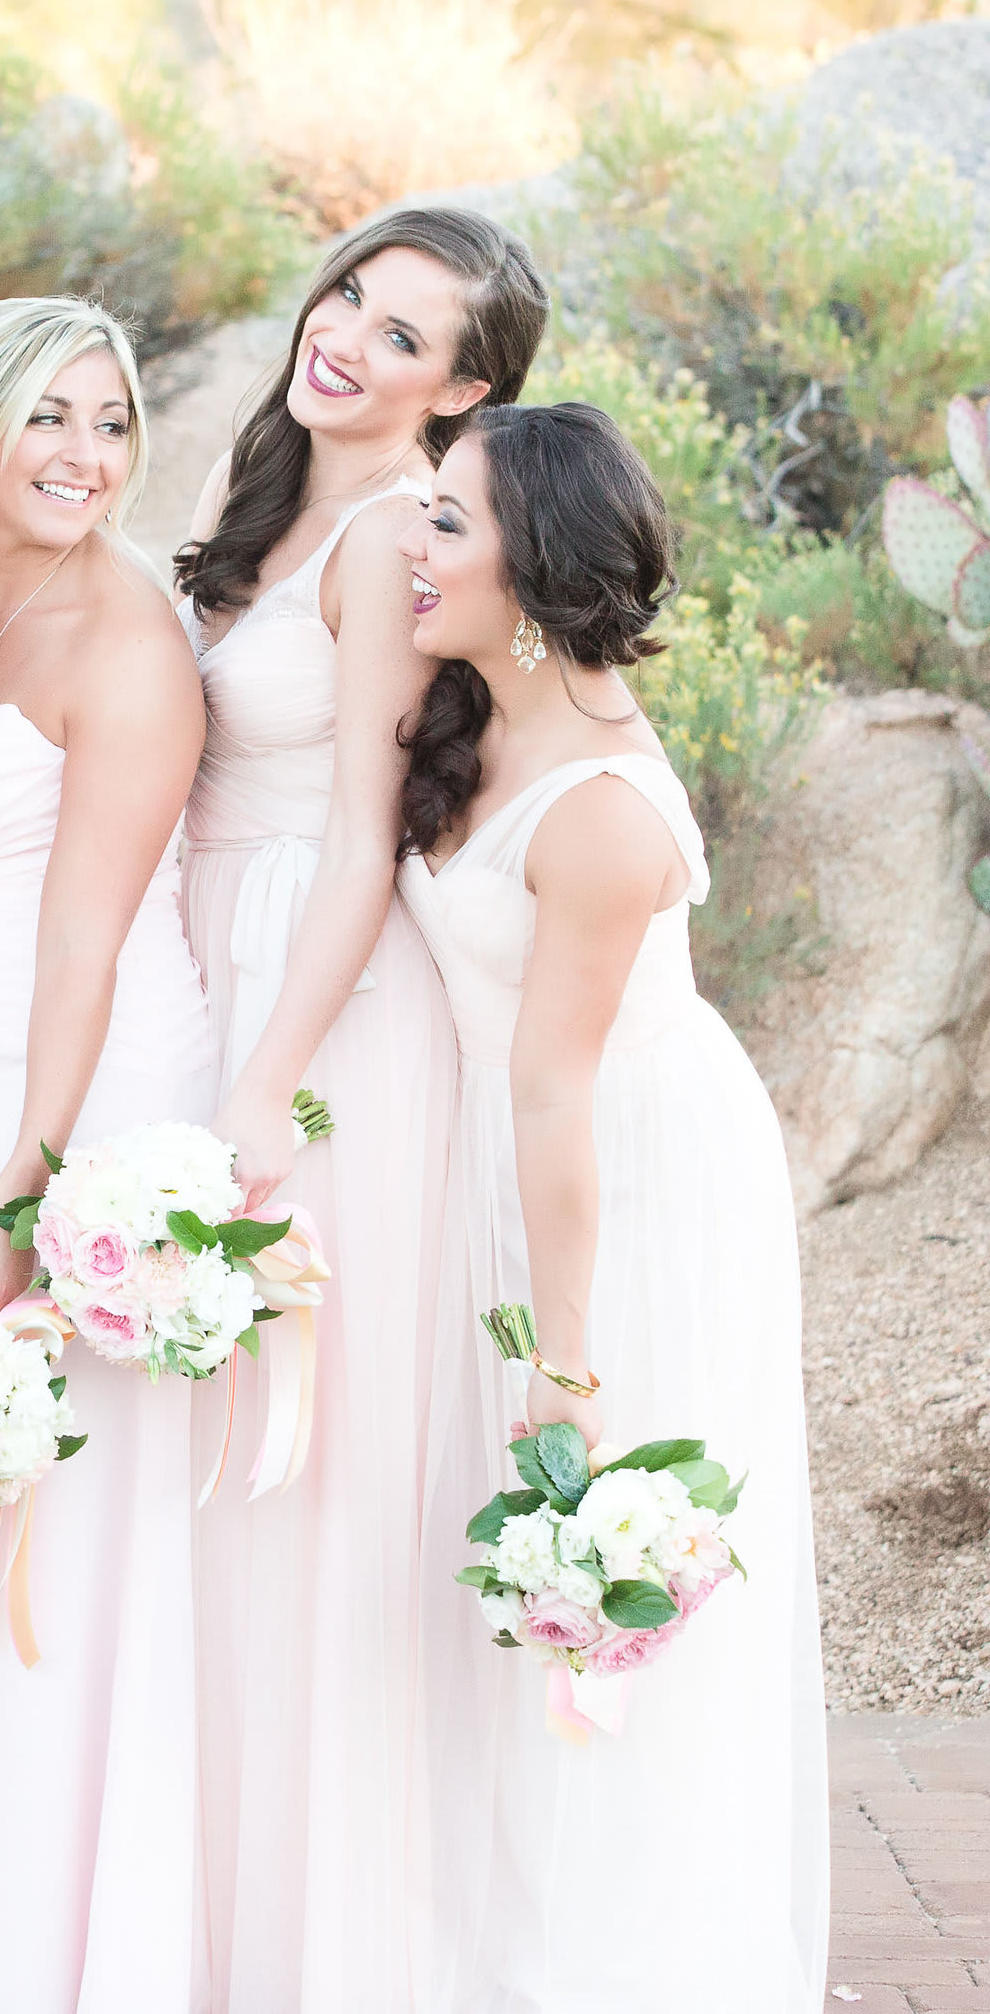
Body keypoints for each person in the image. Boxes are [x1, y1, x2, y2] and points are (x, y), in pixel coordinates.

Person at [393, 400, 825, 2009]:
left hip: (626, 1184)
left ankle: (619, 1962)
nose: (413, 543)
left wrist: (564, 1362)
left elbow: (555, 1089)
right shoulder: (481, 708)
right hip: (524, 1150)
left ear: (540, 566)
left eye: (447, 522)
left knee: (597, 1551)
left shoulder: (600, 811)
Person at [166, 206, 546, 2012]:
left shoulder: (397, 534)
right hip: (204, 960)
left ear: (460, 393)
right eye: (348, 298)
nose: (346, 339)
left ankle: (322, 1938)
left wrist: (264, 1077)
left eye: (405, 337)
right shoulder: (264, 496)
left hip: (319, 1006)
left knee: (304, 1460)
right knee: (208, 1452)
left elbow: (359, 840)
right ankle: (206, 1900)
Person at [0, 297, 214, 2013]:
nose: (87, 456)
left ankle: (58, 1954)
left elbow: (87, 942)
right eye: (52, 419)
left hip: (80, 1109)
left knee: (53, 1554)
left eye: (113, 422)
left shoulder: (127, 638)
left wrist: (22, 1193)